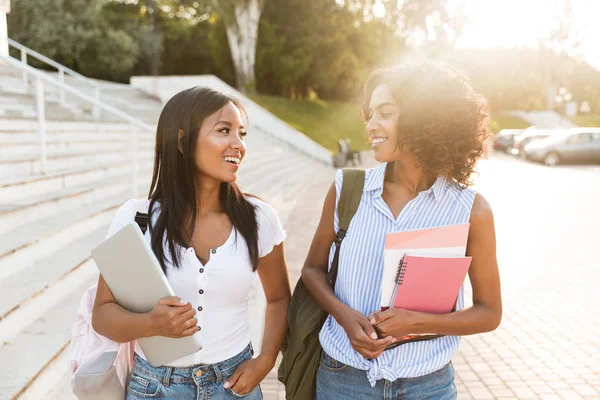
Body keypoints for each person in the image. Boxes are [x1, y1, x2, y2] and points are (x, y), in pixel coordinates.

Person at [302, 62, 502, 399]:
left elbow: (489, 312)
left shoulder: (471, 210)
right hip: (343, 380)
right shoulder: (347, 189)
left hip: (428, 386)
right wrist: (347, 318)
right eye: (370, 114)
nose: (371, 125)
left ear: (427, 119)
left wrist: (416, 322)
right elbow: (312, 270)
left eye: (386, 112)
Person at [91, 87, 291, 400]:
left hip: (234, 386)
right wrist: (150, 324)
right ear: (183, 141)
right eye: (224, 131)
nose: (238, 145)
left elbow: (279, 298)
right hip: (155, 388)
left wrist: (264, 361)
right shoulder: (135, 217)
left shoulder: (259, 218)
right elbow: (102, 315)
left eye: (241, 133)